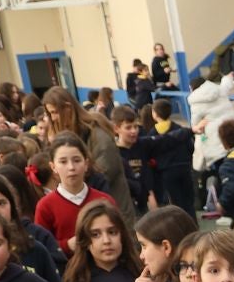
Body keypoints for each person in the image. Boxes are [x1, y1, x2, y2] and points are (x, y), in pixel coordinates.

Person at [38, 87, 137, 226]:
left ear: (68, 108)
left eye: (55, 112)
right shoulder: (63, 135)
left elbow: (107, 171)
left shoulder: (96, 133)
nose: (53, 118)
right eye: (50, 113)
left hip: (112, 214)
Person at [34, 133, 119, 252]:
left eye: (77, 160)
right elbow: (40, 247)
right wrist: (66, 245)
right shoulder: (45, 206)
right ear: (53, 167)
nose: (71, 167)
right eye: (63, 162)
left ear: (86, 164)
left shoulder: (105, 201)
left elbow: (120, 236)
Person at [148, 100, 200, 217]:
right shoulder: (180, 129)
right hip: (184, 167)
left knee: (176, 203)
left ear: (154, 114)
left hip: (166, 171)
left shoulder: (152, 133)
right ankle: (193, 226)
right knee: (189, 201)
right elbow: (190, 147)